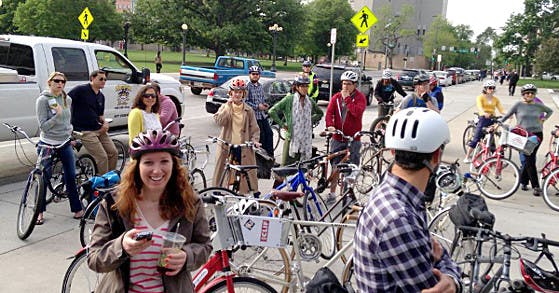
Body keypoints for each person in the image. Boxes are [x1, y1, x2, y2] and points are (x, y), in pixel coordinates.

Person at [87, 129, 212, 292]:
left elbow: (204, 246)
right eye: (148, 162)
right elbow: (95, 258)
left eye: (164, 161)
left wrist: (187, 256)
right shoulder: (115, 204)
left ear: (174, 164)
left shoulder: (190, 202)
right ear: (136, 166)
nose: (157, 170)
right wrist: (121, 246)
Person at [353, 108, 462, 292]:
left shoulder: (393, 195)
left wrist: (442, 262)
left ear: (394, 152)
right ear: (436, 156)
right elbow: (439, 287)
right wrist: (452, 277)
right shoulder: (398, 219)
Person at [35, 72, 84, 224]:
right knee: (43, 177)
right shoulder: (43, 100)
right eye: (56, 81)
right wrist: (56, 116)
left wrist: (70, 134)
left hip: (64, 142)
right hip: (48, 142)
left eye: (63, 82)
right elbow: (43, 126)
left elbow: (67, 121)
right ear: (49, 82)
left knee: (70, 175)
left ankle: (77, 209)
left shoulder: (66, 99)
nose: (60, 84)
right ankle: (39, 211)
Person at [500, 84, 553, 196]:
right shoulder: (518, 105)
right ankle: (529, 183)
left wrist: (543, 119)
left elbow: (550, 111)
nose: (530, 95)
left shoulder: (538, 105)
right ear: (523, 95)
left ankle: (531, 184)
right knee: (529, 160)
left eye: (532, 93)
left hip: (536, 135)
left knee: (530, 159)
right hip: (522, 135)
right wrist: (497, 124)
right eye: (527, 93)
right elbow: (506, 116)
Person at [324, 71, 367, 203]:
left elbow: (356, 112)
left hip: (353, 139)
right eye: (343, 84)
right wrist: (330, 125)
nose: (345, 87)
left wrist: (347, 99)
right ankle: (332, 193)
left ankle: (348, 193)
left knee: (351, 168)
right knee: (336, 166)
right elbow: (329, 113)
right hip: (338, 138)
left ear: (354, 85)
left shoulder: (360, 98)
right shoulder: (336, 97)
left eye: (348, 84)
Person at [213, 78, 261, 194]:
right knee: (222, 171)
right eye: (235, 91)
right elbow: (219, 121)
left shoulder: (248, 110)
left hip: (242, 146)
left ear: (243, 93)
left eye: (240, 92)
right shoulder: (225, 107)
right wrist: (228, 107)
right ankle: (217, 192)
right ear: (231, 93)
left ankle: (245, 195)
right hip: (227, 146)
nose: (237, 94)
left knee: (245, 174)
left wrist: (255, 140)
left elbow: (254, 129)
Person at [69, 70, 118, 175]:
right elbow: (66, 101)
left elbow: (100, 115)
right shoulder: (80, 90)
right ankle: (101, 183)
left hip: (98, 128)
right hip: (84, 130)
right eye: (101, 79)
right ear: (92, 79)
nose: (103, 81)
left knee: (113, 152)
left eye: (105, 79)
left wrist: (105, 123)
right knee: (102, 157)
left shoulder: (101, 96)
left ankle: (110, 177)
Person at [269, 74, 323, 166]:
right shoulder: (289, 99)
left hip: (305, 139)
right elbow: (272, 111)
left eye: (307, 86)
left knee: (302, 168)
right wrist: (282, 125)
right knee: (285, 168)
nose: (305, 88)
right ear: (296, 87)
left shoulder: (309, 101)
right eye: (302, 86)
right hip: (292, 139)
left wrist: (310, 120)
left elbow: (320, 113)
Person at [464, 80, 506, 163]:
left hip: (492, 119)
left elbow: (501, 109)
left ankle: (496, 160)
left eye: (493, 88)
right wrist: (483, 113)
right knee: (476, 138)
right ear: (485, 89)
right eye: (490, 88)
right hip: (483, 118)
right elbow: (480, 107)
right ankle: (467, 156)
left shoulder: (495, 99)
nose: (492, 90)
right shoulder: (480, 97)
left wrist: (508, 113)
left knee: (492, 138)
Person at [246, 65, 273, 156]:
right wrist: (257, 106)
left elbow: (262, 100)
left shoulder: (260, 86)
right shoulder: (248, 87)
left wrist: (264, 105)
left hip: (262, 115)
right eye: (253, 74)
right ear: (249, 75)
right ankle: (263, 158)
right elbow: (245, 102)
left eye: (257, 74)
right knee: (261, 137)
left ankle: (270, 156)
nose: (255, 76)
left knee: (269, 134)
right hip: (254, 117)